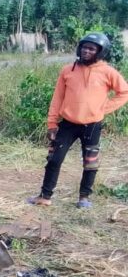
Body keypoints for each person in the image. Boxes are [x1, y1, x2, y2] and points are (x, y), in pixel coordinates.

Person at [27, 33, 128, 208]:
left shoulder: (108, 72)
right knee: (54, 159)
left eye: (91, 49)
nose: (86, 51)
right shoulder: (68, 70)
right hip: (67, 124)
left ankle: (84, 197)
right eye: (84, 47)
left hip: (92, 125)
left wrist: (102, 109)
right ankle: (45, 196)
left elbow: (124, 92)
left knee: (90, 162)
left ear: (100, 52)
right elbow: (57, 98)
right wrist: (51, 123)